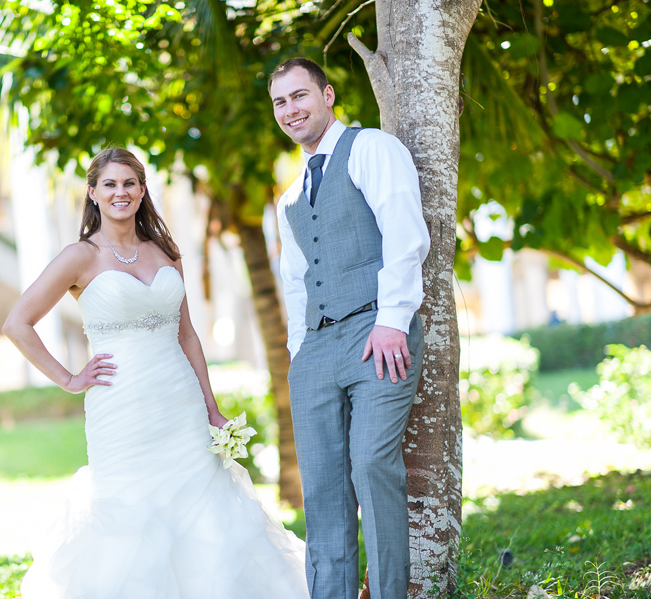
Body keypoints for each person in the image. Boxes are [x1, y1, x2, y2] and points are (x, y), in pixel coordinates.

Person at [3, 147, 309, 599]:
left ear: (143, 190)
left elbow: (187, 336)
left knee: (203, 510)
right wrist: (68, 378)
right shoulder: (79, 257)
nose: (120, 192)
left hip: (179, 404)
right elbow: (17, 323)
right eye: (109, 184)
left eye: (129, 183)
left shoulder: (165, 252)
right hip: (119, 409)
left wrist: (211, 408)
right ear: (93, 193)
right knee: (129, 513)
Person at [269, 58, 430, 599]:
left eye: (299, 96)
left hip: (377, 335)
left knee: (371, 465)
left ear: (328, 94)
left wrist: (392, 322)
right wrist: (300, 353)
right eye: (280, 102)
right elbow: (295, 282)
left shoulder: (371, 149)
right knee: (322, 489)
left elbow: (405, 234)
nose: (290, 110)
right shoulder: (288, 198)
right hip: (316, 349)